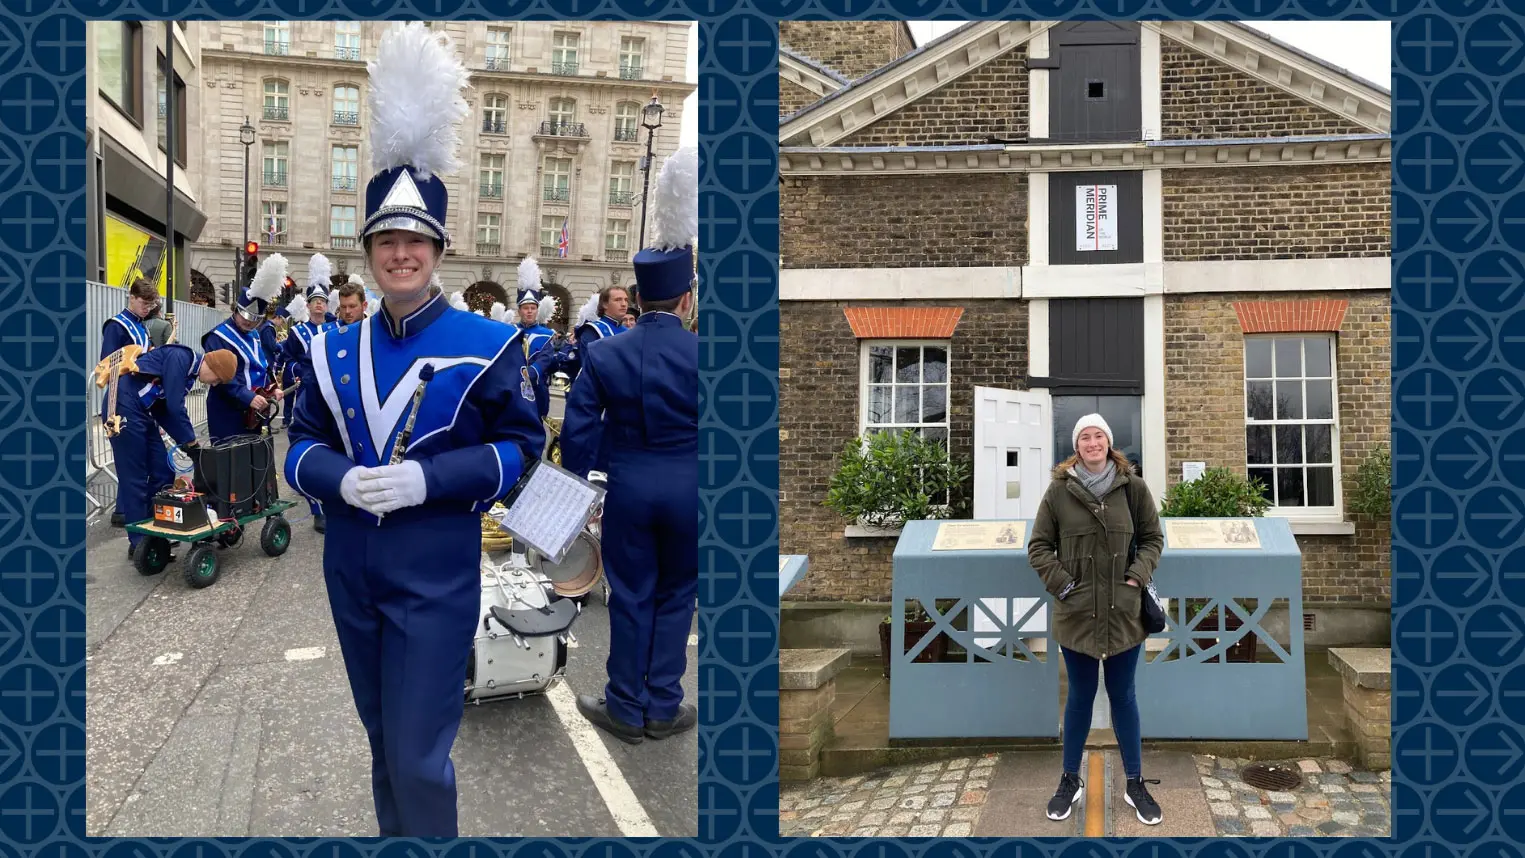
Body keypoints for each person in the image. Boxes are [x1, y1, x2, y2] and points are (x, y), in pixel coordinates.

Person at [282, 22, 544, 837]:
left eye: (415, 240)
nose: (400, 253)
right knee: (379, 741)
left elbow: (523, 452)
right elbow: (297, 445)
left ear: (438, 249)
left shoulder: (486, 342)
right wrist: (336, 478)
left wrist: (432, 479)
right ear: (367, 249)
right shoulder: (331, 346)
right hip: (350, 570)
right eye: (386, 240)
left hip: (434, 573)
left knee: (422, 757)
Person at [561, 145, 698, 745]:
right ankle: (663, 704)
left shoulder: (606, 351)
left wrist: (585, 481)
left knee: (631, 595)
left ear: (637, 299)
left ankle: (625, 704)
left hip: (631, 487)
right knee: (677, 597)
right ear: (686, 299)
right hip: (692, 486)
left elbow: (579, 428)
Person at [1027, 414, 1165, 826]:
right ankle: (1070, 779)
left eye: (1098, 435)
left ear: (1109, 442)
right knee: (1080, 698)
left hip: (1124, 614)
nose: (1092, 443)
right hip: (1077, 615)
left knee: (1124, 697)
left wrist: (1136, 577)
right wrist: (1065, 586)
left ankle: (1135, 782)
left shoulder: (1133, 488)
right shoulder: (1057, 493)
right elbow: (1038, 547)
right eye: (1084, 437)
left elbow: (1153, 539)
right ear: (1076, 446)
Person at [104, 345, 238, 558]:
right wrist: (191, 441)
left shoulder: (188, 372)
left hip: (142, 411)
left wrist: (187, 442)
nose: (215, 384)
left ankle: (155, 531)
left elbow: (163, 409)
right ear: (213, 366)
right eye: (217, 379)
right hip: (123, 409)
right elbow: (175, 407)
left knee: (163, 471)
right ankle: (140, 543)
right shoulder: (181, 357)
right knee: (135, 478)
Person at [201, 254, 287, 443]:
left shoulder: (254, 334)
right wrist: (247, 396)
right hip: (228, 410)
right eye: (245, 316)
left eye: (255, 319)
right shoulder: (218, 337)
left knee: (255, 459)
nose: (249, 321)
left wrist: (272, 388)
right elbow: (223, 378)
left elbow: (261, 366)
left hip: (255, 408)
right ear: (236, 310)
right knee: (231, 462)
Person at [283, 255, 340, 532]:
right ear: (308, 306)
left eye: (323, 302)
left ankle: (332, 499)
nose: (319, 305)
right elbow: (286, 360)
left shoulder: (334, 329)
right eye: (315, 302)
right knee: (309, 445)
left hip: (332, 397)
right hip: (307, 395)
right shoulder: (298, 331)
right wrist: (298, 372)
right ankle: (317, 510)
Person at [101, 278, 159, 360]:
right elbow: (106, 364)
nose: (148, 309)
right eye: (145, 303)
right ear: (132, 298)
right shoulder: (116, 325)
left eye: (151, 305)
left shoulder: (142, 326)